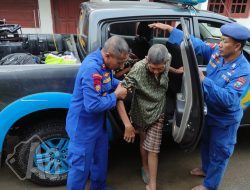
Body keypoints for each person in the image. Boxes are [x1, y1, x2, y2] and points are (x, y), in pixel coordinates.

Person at [148, 22, 250, 190]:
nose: (220, 44)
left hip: (225, 120)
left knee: (220, 153)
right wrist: (172, 30)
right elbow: (198, 44)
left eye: (224, 41)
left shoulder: (243, 71)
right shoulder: (219, 52)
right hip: (208, 111)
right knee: (206, 142)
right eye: (220, 40)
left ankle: (210, 185)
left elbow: (229, 99)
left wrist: (204, 81)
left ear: (237, 46)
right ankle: (205, 169)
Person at [66, 35, 129, 190]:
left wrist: (120, 84)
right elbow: (92, 105)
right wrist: (116, 95)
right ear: (108, 55)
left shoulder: (104, 63)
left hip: (98, 125)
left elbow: (107, 81)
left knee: (100, 162)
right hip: (82, 128)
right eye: (120, 62)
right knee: (79, 169)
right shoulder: (91, 68)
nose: (121, 65)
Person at [117, 44, 183, 190]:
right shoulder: (138, 70)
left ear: (166, 62)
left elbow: (167, 67)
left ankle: (152, 184)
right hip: (140, 111)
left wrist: (176, 71)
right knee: (143, 139)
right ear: (147, 60)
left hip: (159, 109)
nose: (156, 72)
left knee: (153, 148)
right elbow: (118, 96)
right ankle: (144, 166)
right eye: (152, 68)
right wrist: (127, 125)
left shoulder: (168, 59)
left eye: (160, 68)